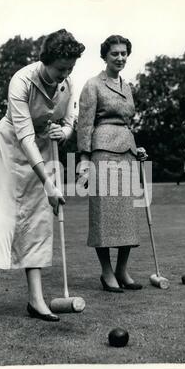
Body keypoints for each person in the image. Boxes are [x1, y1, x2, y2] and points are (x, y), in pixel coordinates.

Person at [0, 29, 85, 328]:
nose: (65, 75)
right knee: (0, 222)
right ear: (46, 61)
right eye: (61, 68)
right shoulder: (22, 80)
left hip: (43, 151)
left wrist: (62, 133)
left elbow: (68, 121)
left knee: (38, 222)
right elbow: (24, 134)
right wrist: (49, 183)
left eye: (70, 69)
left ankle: (36, 300)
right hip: (10, 151)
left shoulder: (67, 82)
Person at [77, 35, 147, 293]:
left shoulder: (127, 87)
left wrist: (135, 145)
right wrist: (83, 159)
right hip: (102, 153)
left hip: (127, 151)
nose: (120, 58)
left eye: (123, 53)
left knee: (127, 216)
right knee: (104, 217)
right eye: (114, 53)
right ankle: (107, 273)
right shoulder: (93, 85)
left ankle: (122, 270)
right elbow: (84, 124)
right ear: (104, 56)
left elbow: (127, 122)